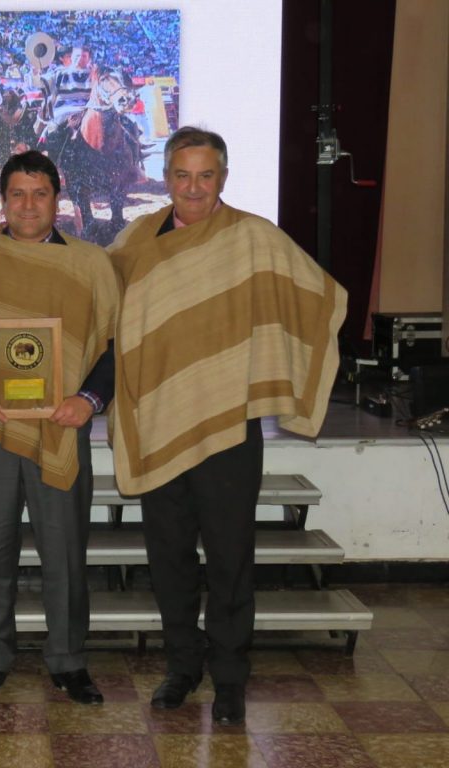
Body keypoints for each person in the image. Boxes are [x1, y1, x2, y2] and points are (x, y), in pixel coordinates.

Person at [106, 126, 347, 725]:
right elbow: (102, 312)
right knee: (169, 559)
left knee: (230, 559)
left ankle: (231, 678)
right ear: (166, 177)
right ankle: (182, 668)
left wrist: (272, 358)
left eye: (205, 175)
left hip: (229, 429)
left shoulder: (253, 238)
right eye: (182, 175)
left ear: (223, 178)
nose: (193, 188)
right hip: (160, 421)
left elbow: (314, 294)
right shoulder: (135, 241)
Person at [0, 150, 118, 704]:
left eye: (40, 194)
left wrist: (88, 399)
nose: (28, 205)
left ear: (57, 199)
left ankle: (69, 658)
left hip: (61, 427)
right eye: (17, 194)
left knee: (65, 551)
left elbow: (114, 342)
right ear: (2, 200)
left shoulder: (91, 265)